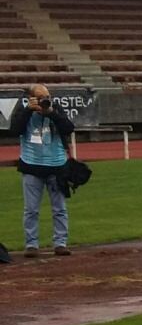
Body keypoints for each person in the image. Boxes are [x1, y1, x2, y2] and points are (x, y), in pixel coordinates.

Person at [10, 83, 75, 257]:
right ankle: (31, 244)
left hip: (56, 165)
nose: (44, 101)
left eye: (47, 97)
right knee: (31, 209)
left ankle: (60, 243)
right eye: (40, 98)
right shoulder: (23, 110)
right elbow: (14, 129)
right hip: (32, 166)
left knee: (59, 208)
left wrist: (52, 113)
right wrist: (28, 111)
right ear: (30, 98)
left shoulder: (56, 109)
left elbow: (69, 128)